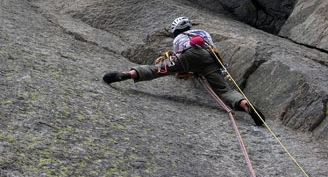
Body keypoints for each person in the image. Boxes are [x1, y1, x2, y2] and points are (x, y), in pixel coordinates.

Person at [103, 16, 265, 126]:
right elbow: (211, 49)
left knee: (157, 70)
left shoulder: (178, 39)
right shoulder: (204, 34)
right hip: (209, 58)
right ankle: (245, 104)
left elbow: (181, 61)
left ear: (175, 30)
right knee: (224, 91)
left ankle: (128, 74)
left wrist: (187, 69)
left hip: (188, 55)